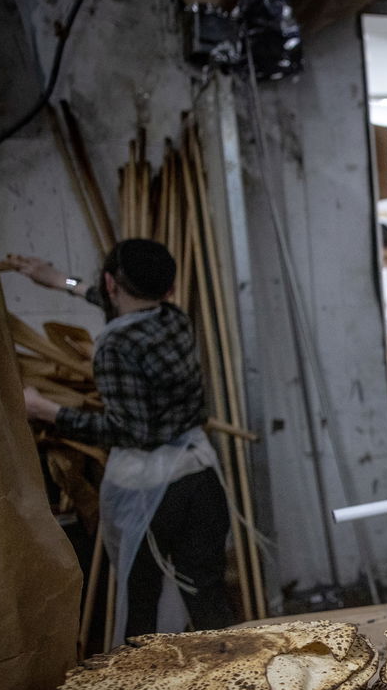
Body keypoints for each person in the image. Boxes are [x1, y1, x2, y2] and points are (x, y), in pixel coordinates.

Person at [13, 240, 234, 642]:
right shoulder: (174, 317)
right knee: (208, 601)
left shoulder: (115, 346)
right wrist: (59, 280)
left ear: (113, 283)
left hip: (151, 494)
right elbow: (119, 299)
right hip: (201, 479)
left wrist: (47, 411)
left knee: (141, 610)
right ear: (168, 290)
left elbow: (132, 432)